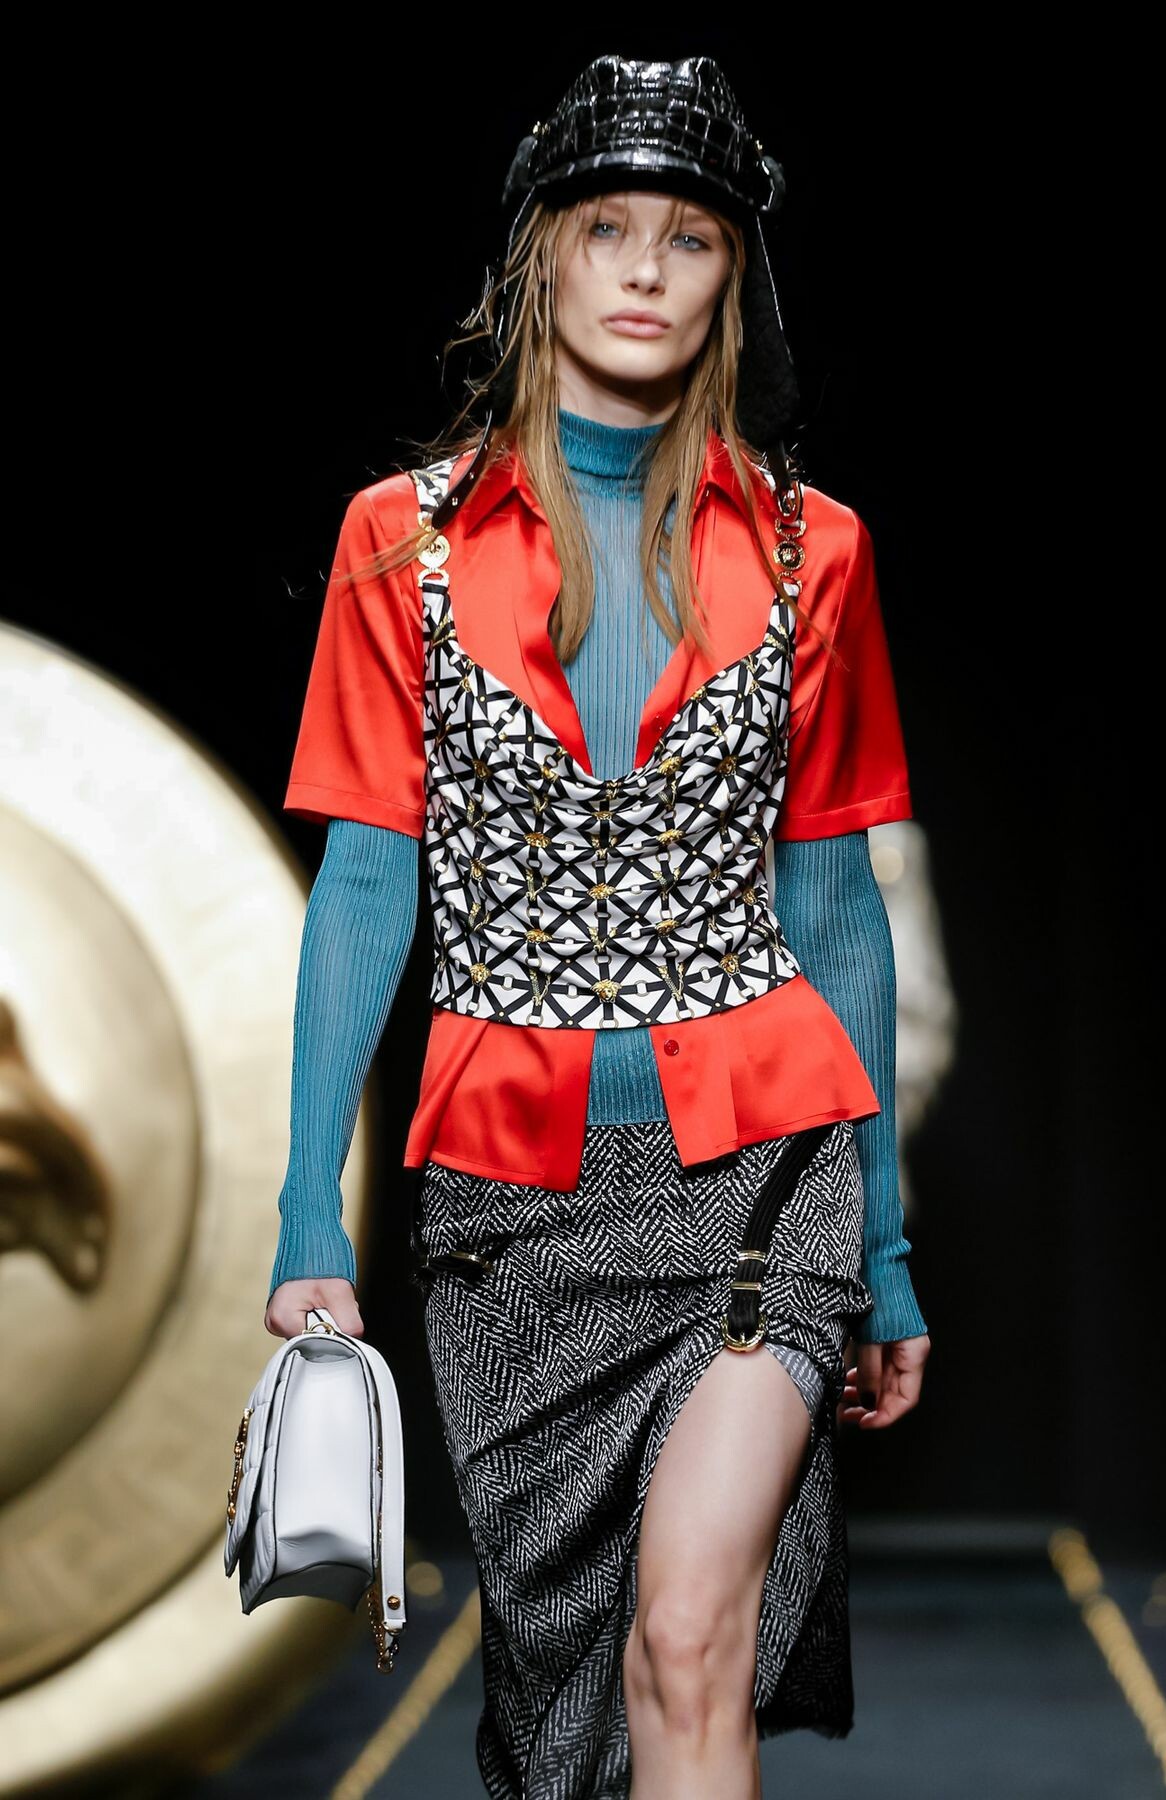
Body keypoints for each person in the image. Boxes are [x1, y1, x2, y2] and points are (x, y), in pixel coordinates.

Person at [265, 53, 932, 1800]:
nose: (645, 269)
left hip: (759, 1176)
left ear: (732, 281)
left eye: (689, 238)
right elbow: (366, 887)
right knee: (566, 1704)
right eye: (608, 229)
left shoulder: (816, 552)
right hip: (513, 1208)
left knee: (689, 1634)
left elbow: (835, 907)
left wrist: (884, 1247)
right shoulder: (399, 544)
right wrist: (306, 1213)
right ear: (539, 258)